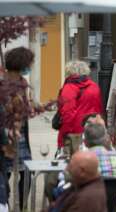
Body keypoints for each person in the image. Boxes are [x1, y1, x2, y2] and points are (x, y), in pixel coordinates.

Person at [1, 47, 36, 210]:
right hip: (7, 135)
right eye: (29, 63)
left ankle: (21, 206)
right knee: (4, 173)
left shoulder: (22, 83)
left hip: (21, 135)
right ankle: (5, 204)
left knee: (27, 172)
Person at [57, 60, 103, 157]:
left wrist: (63, 135)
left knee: (73, 163)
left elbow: (67, 113)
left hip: (74, 133)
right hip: (92, 131)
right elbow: (98, 109)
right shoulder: (94, 86)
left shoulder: (70, 87)